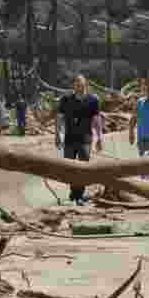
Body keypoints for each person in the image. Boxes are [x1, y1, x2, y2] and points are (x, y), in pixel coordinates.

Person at [56, 75, 102, 205]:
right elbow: (59, 117)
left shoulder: (93, 100)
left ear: (85, 85)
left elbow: (97, 120)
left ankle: (79, 194)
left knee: (83, 168)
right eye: (76, 84)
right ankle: (74, 192)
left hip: (85, 139)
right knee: (69, 168)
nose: (79, 86)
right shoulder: (66, 99)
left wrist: (100, 137)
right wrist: (57, 135)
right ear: (73, 85)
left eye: (81, 84)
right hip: (69, 139)